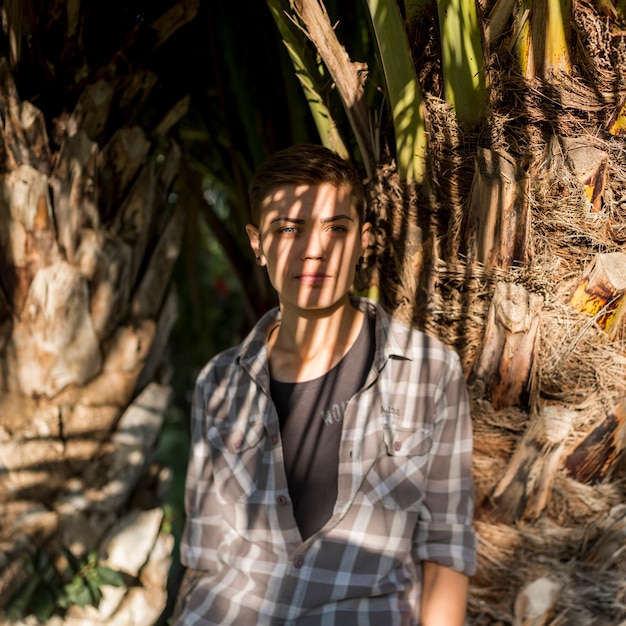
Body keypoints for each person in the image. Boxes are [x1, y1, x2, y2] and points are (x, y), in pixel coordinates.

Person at [174, 144, 476, 625]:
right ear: (257, 244)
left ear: (363, 240)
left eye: (336, 227)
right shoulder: (220, 382)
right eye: (288, 229)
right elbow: (202, 556)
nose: (314, 249)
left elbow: (446, 546)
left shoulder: (429, 370)